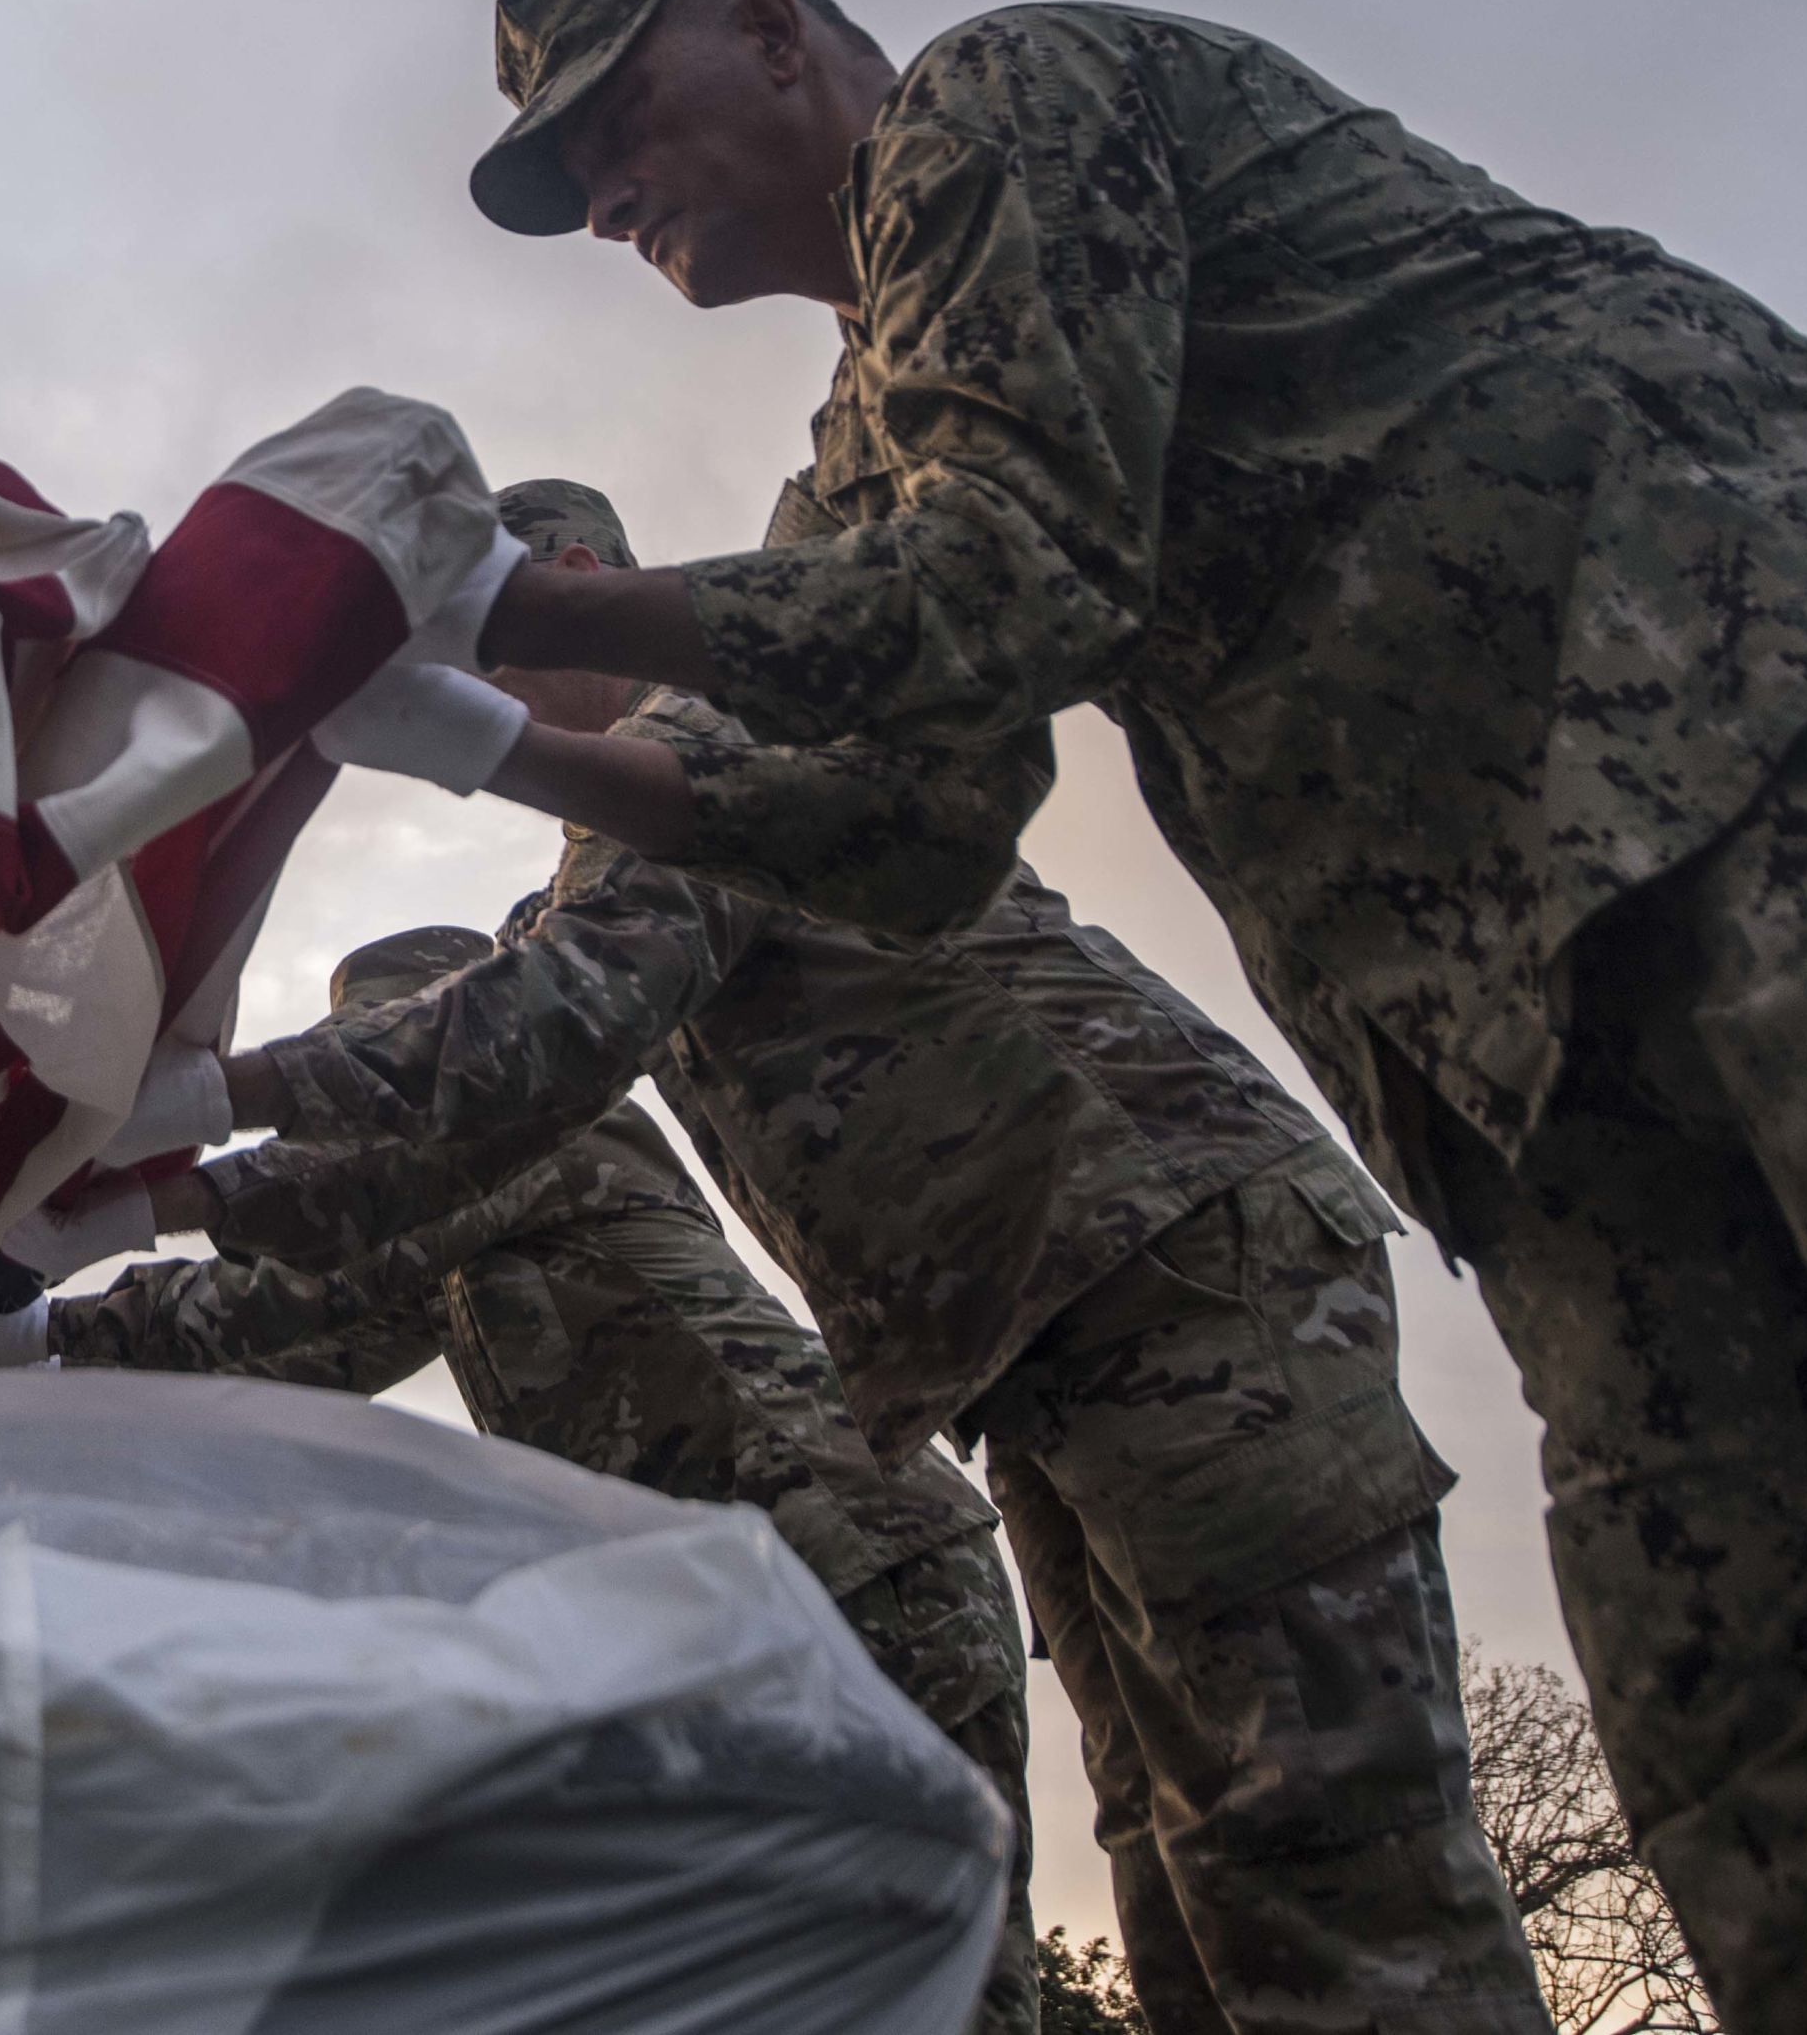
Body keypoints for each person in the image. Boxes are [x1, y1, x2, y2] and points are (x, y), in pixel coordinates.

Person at [447, 0, 1807, 2022]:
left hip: (1770, 730)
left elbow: (1007, 583)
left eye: (614, 106)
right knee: (1770, 1711)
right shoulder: (867, 448)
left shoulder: (1000, 101)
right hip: (1520, 1033)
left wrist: (532, 625)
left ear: (771, 29)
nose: (599, 184)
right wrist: (455, 724)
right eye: (559, 173)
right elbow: (901, 828)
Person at [189, 479, 1549, 2033]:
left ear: (563, 581)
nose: (473, 714)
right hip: (1053, 1331)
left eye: (481, 663)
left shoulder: (715, 724)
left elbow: (535, 1032)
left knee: (1328, 1869)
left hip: (1164, 1261)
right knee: (1197, 1885)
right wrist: (139, 1190)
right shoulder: (615, 830)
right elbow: (439, 1163)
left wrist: (189, 1114)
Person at [0, 925, 1041, 2034]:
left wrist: (38, 1309)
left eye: (385, 1058)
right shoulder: (450, 1224)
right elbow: (298, 1349)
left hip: (855, 1556)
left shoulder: (544, 1124)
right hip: (759, 1603)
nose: (369, 1100)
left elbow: (291, 1292)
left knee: (935, 1976)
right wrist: (19, 1359)